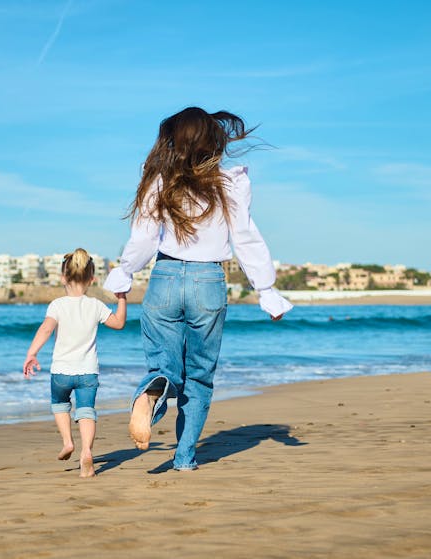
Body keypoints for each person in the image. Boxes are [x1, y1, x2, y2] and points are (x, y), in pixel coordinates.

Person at [103, 107, 293, 471]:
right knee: (200, 377)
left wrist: (125, 272)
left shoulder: (158, 181)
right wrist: (266, 290)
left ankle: (151, 392)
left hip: (165, 278)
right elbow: (246, 237)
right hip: (208, 282)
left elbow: (143, 238)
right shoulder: (230, 182)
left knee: (164, 363)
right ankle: (185, 458)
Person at [24, 248, 127, 477]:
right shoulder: (96, 305)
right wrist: (121, 298)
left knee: (60, 404)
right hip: (88, 372)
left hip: (61, 371)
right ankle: (86, 452)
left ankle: (68, 442)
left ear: (63, 278)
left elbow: (46, 329)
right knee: (86, 411)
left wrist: (32, 353)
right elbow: (119, 323)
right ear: (91, 279)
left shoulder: (57, 305)